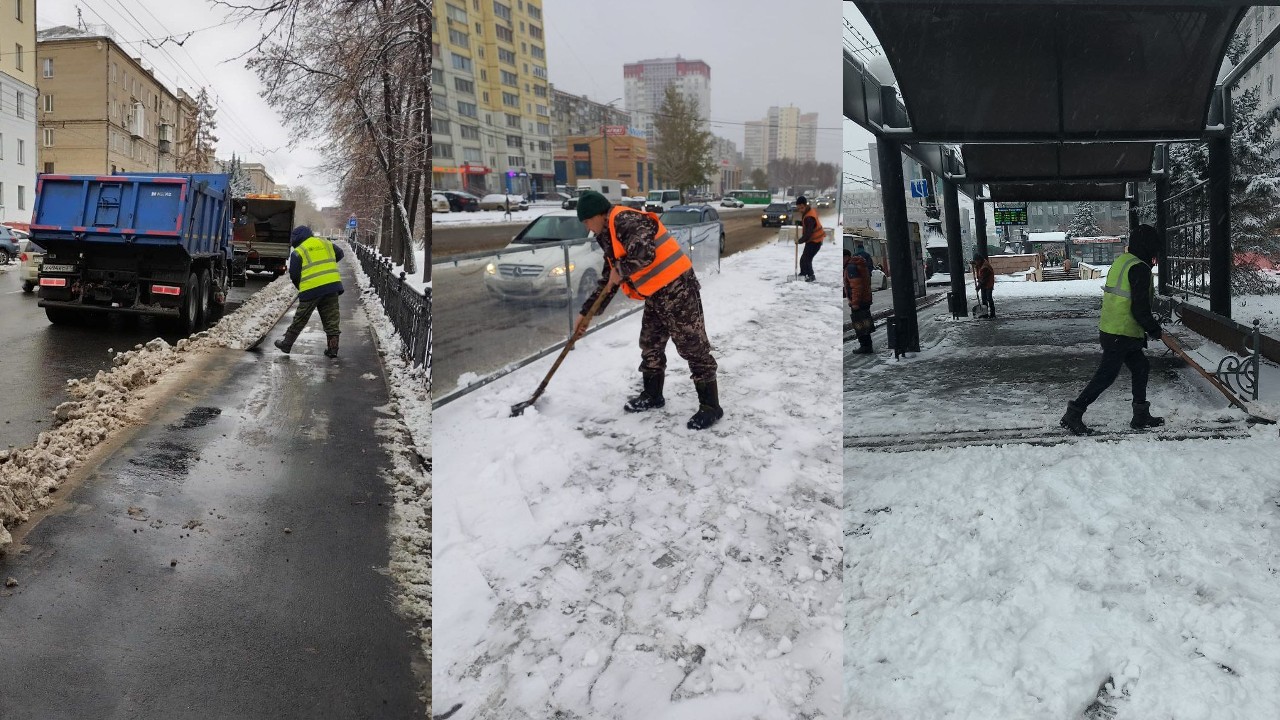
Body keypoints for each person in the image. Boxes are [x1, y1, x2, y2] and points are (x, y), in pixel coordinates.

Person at [572, 190, 722, 430]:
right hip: (656, 293)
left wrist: (619, 271)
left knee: (693, 346)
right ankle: (653, 395)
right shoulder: (608, 232)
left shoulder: (625, 220)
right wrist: (587, 313)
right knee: (650, 342)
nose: (588, 228)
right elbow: (608, 279)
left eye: (587, 221)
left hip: (677, 288)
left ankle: (711, 407)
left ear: (598, 215)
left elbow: (644, 254)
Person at [1061, 224, 1165, 435]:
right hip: (1121, 332)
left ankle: (1140, 414)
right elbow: (1139, 307)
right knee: (1106, 376)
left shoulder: (1123, 261)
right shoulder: (1140, 269)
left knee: (1141, 367)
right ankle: (1074, 413)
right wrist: (1154, 329)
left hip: (1112, 329)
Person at [274, 225, 344, 358]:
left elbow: (294, 275)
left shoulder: (298, 251)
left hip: (311, 288)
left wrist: (302, 286)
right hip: (332, 285)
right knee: (332, 317)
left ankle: (287, 344)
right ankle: (333, 349)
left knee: (301, 317)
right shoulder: (326, 242)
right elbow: (340, 254)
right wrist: (328, 265)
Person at [846, 249, 874, 354]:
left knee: (859, 324)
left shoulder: (851, 267)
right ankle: (867, 345)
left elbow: (856, 286)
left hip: (859, 302)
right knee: (864, 324)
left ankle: (865, 346)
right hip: (865, 299)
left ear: (846, 257)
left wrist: (855, 303)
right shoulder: (857, 264)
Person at [794, 196, 824, 282]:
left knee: (806, 259)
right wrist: (800, 223)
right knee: (805, 258)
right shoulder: (809, 211)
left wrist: (799, 241)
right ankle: (803, 274)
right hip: (813, 240)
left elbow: (808, 232)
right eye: (798, 208)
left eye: (801, 208)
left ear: (805, 205)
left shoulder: (809, 216)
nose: (800, 210)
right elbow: (808, 225)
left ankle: (811, 275)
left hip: (815, 241)